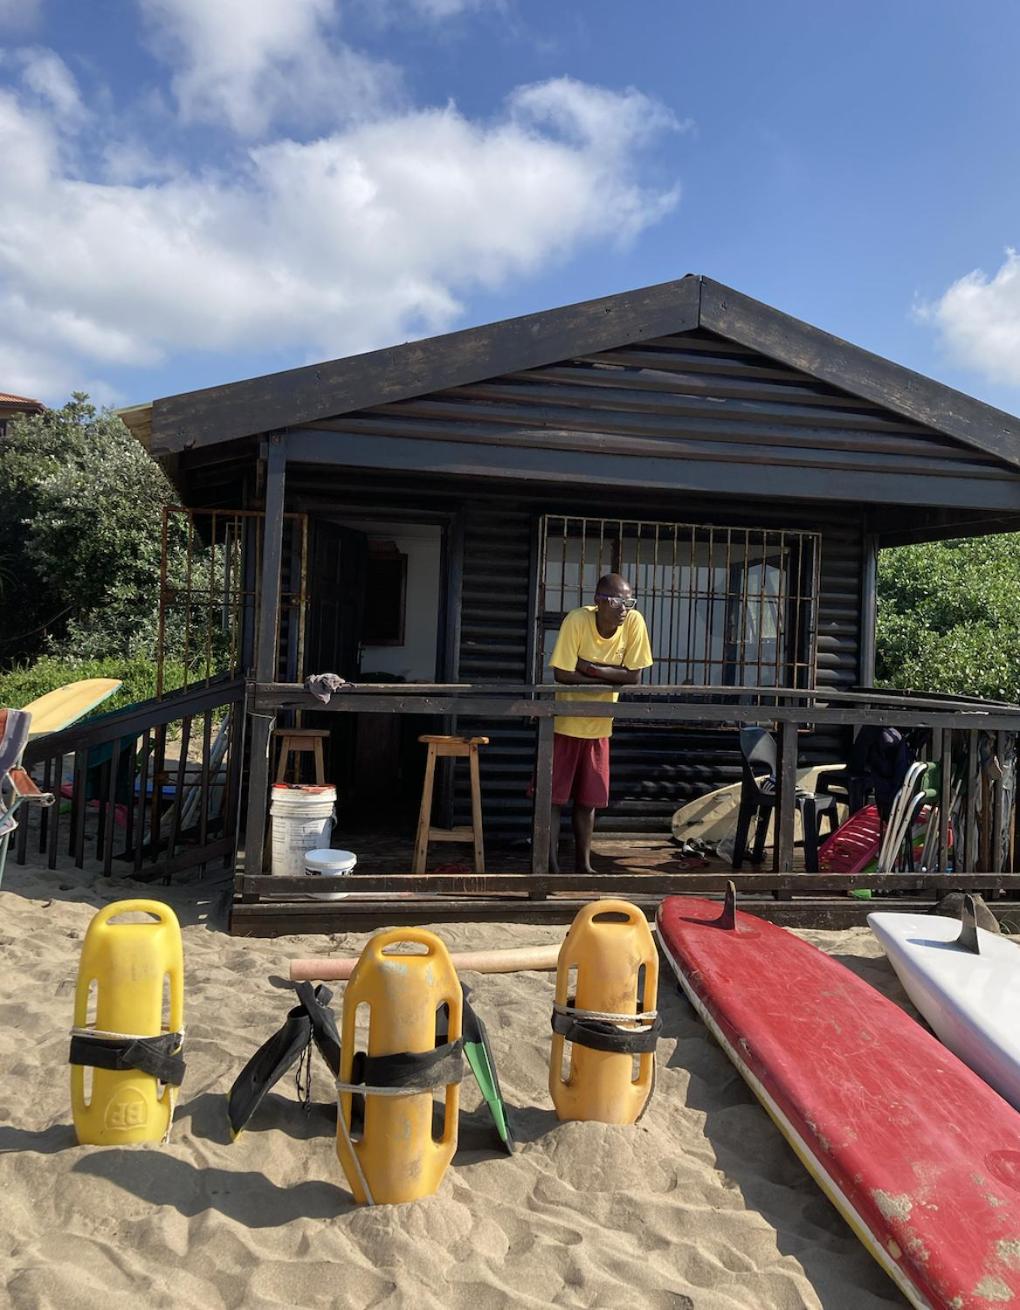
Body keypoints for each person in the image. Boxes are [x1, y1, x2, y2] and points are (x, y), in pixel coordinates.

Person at [546, 573, 653, 873]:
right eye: (617, 602)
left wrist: (590, 669)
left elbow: (634, 676)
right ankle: (548, 865)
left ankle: (584, 865)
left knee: (588, 801)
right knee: (552, 799)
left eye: (629, 602)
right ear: (599, 602)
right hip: (565, 724)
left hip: (601, 726)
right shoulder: (577, 620)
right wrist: (611, 675)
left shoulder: (634, 622)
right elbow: (561, 673)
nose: (624, 609)